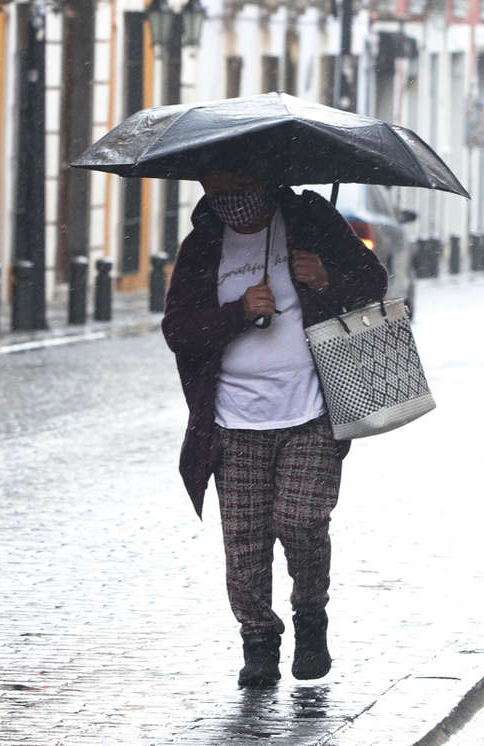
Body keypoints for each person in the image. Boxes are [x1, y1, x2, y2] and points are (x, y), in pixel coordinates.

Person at [161, 170, 387, 688]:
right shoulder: (203, 245)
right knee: (244, 542)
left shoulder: (309, 221)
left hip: (311, 411)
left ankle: (311, 615)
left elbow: (374, 283)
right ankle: (259, 641)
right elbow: (179, 331)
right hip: (232, 421)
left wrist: (327, 278)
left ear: (262, 177)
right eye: (215, 191)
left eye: (235, 186)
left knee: (302, 521)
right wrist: (238, 312)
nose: (228, 201)